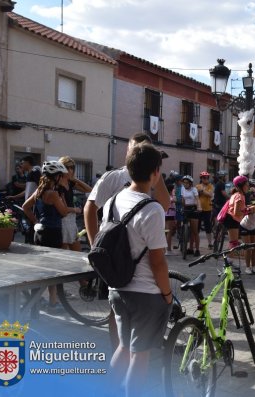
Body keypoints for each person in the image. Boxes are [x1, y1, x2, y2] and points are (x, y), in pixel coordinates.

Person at [84, 133, 170, 350]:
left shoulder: (152, 177)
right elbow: (90, 208)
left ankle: (124, 354)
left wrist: (157, 175)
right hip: (116, 253)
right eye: (137, 148)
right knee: (118, 309)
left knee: (122, 306)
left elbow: (165, 205)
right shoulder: (114, 177)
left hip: (139, 253)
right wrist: (96, 246)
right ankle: (120, 348)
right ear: (128, 151)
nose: (141, 151)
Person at [105, 143, 172, 395]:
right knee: (139, 355)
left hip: (117, 288)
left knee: (123, 347)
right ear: (156, 173)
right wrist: (167, 294)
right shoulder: (152, 209)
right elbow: (157, 262)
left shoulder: (113, 201)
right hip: (145, 294)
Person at [22, 161, 81, 311]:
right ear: (56, 177)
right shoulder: (53, 194)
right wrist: (75, 209)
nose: (63, 178)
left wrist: (35, 221)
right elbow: (62, 212)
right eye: (61, 176)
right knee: (51, 272)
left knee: (45, 270)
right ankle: (38, 303)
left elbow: (25, 207)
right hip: (53, 233)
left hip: (40, 232)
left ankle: (45, 303)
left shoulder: (40, 191)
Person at [58, 156, 92, 251]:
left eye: (72, 168)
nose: (70, 170)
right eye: (68, 168)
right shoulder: (58, 185)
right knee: (61, 254)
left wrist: (75, 179)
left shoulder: (70, 182)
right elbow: (62, 208)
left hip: (71, 221)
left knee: (77, 252)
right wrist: (75, 210)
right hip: (63, 220)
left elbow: (89, 190)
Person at [223, 175, 255, 252]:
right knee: (233, 244)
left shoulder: (236, 194)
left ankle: (229, 260)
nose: (248, 187)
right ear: (240, 186)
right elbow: (237, 212)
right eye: (247, 185)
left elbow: (240, 208)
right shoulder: (239, 196)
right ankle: (228, 260)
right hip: (232, 220)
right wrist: (249, 210)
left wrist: (248, 208)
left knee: (234, 243)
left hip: (232, 220)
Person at [181, 175, 202, 256]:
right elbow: (183, 199)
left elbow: (197, 199)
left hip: (193, 209)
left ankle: (197, 249)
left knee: (194, 231)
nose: (185, 184)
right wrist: (182, 208)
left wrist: (199, 207)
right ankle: (189, 248)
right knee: (187, 230)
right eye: (184, 183)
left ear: (190, 183)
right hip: (186, 208)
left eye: (187, 183)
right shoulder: (183, 189)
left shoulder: (194, 189)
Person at [196, 171, 214, 249]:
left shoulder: (210, 186)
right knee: (197, 226)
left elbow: (210, 195)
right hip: (199, 209)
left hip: (207, 209)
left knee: (208, 226)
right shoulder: (197, 186)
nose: (205, 179)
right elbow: (196, 195)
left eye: (207, 178)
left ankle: (210, 243)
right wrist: (203, 192)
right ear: (201, 178)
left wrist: (202, 191)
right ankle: (195, 243)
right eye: (204, 178)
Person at [165, 173, 182, 255]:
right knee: (169, 232)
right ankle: (168, 249)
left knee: (165, 231)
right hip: (170, 214)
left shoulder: (163, 195)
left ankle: (165, 249)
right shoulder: (171, 195)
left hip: (165, 214)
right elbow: (174, 200)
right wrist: (174, 194)